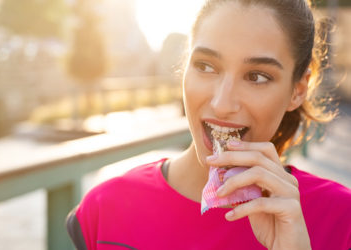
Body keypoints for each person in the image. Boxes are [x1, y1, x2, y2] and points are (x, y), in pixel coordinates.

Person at [66, 0, 351, 249]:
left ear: (297, 90)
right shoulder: (105, 210)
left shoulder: (340, 220)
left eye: (256, 76)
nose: (222, 103)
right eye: (205, 66)